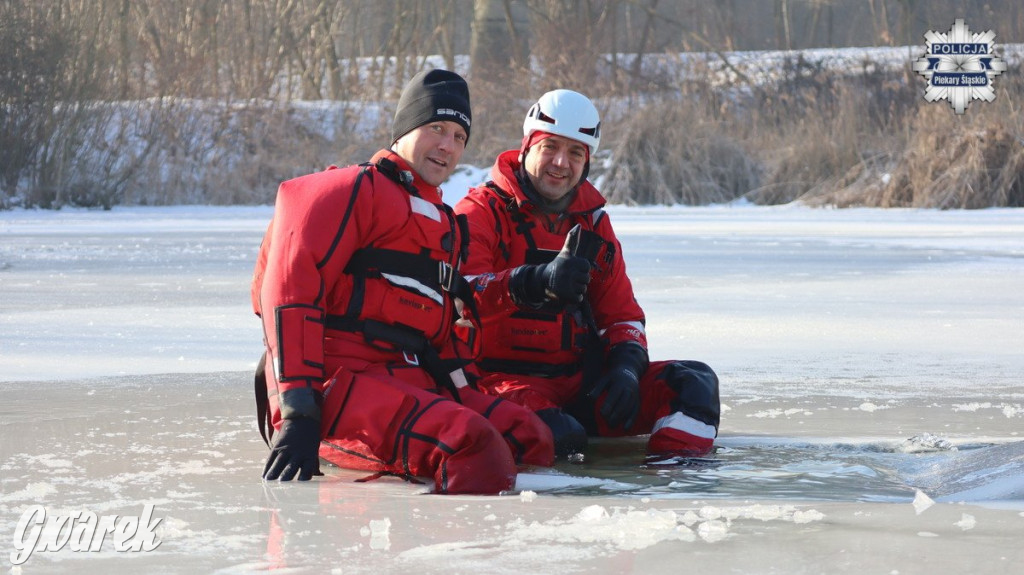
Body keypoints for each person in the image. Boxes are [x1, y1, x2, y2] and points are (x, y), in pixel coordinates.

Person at [250, 69, 554, 494]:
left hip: (407, 378)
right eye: (436, 128)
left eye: (459, 137)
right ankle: (440, 536)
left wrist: (467, 393)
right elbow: (288, 291)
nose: (448, 145)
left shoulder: (444, 223)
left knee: (531, 436)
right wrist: (299, 409)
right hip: (332, 386)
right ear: (405, 129)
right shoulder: (348, 190)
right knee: (474, 446)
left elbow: (442, 335)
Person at [454, 89, 721, 461]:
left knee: (695, 385)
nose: (560, 163)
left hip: (579, 387)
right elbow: (461, 299)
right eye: (550, 147)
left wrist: (626, 369)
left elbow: (622, 316)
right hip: (498, 384)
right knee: (560, 437)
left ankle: (670, 478)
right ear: (527, 147)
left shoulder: (594, 224)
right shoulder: (479, 212)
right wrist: (534, 281)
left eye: (575, 153)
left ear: (587, 161)